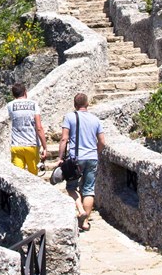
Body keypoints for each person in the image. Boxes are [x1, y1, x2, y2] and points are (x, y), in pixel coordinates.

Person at [58, 93, 106, 231]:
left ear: (75, 105)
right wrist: (96, 152)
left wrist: (60, 158)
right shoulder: (95, 119)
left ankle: (80, 209)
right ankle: (84, 222)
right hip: (92, 157)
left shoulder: (70, 117)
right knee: (89, 189)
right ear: (87, 104)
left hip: (76, 159)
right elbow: (102, 141)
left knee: (71, 187)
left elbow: (64, 139)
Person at [7, 83, 47, 176]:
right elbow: (39, 128)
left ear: (13, 95)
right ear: (25, 92)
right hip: (32, 145)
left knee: (17, 176)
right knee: (33, 177)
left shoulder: (10, 106)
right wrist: (45, 147)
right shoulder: (34, 105)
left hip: (16, 146)